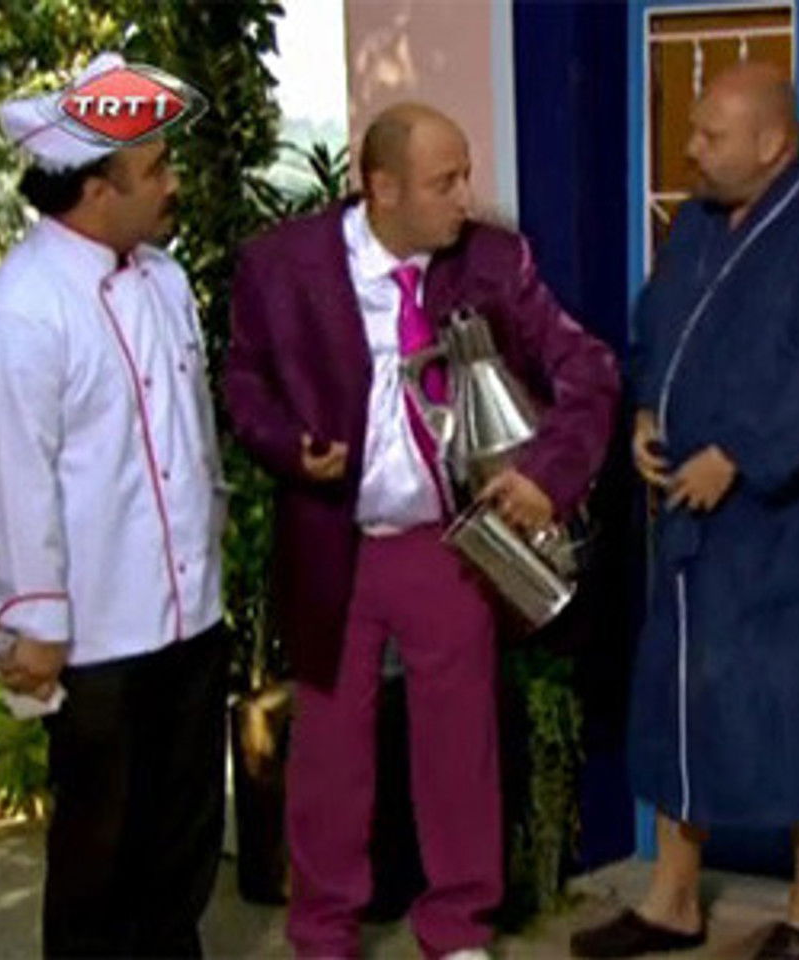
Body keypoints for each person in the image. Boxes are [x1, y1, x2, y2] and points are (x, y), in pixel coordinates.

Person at [224, 102, 619, 960]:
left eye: (465, 176)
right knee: (329, 754)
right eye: (446, 182)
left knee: (459, 743)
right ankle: (322, 931)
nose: (465, 199)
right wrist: (289, 447)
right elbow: (244, 383)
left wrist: (547, 476)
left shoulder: (493, 260)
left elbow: (588, 369)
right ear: (383, 187)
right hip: (333, 539)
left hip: (446, 543)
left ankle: (457, 928)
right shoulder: (281, 265)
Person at [572, 62, 799, 960]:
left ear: (772, 143)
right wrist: (646, 412)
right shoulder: (696, 224)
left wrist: (744, 455)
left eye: (710, 136)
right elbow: (655, 327)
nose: (689, 149)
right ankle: (673, 899)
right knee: (681, 695)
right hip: (693, 518)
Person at [0, 53, 229, 958]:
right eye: (155, 169)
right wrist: (33, 621)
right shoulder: (21, 310)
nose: (172, 183)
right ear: (96, 189)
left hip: (190, 618)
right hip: (97, 638)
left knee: (183, 838)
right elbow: (9, 478)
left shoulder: (166, 282)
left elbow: (186, 438)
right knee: (101, 856)